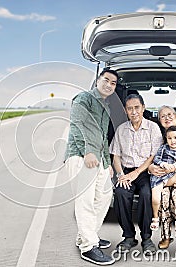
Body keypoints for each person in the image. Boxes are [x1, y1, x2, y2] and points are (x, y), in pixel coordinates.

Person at [65, 69, 118, 265]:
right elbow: (76, 124)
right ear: (98, 80)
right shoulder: (84, 98)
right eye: (106, 80)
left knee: (104, 196)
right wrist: (87, 151)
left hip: (99, 159)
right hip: (81, 156)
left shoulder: (106, 106)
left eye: (113, 83)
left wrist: (107, 162)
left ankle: (87, 236)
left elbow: (103, 138)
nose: (109, 85)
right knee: (85, 201)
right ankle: (88, 247)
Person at [109, 94, 163, 254]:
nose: (134, 112)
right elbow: (115, 155)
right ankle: (129, 237)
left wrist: (137, 173)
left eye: (137, 108)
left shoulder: (153, 128)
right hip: (126, 171)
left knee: (147, 195)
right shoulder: (121, 129)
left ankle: (146, 238)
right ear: (125, 111)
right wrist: (120, 175)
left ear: (143, 108)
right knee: (120, 193)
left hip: (146, 171)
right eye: (130, 109)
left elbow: (154, 155)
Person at [148, 106, 176, 251]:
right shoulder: (156, 135)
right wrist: (152, 167)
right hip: (162, 178)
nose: (167, 118)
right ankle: (165, 235)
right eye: (162, 116)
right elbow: (153, 158)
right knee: (164, 196)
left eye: (170, 114)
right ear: (159, 120)